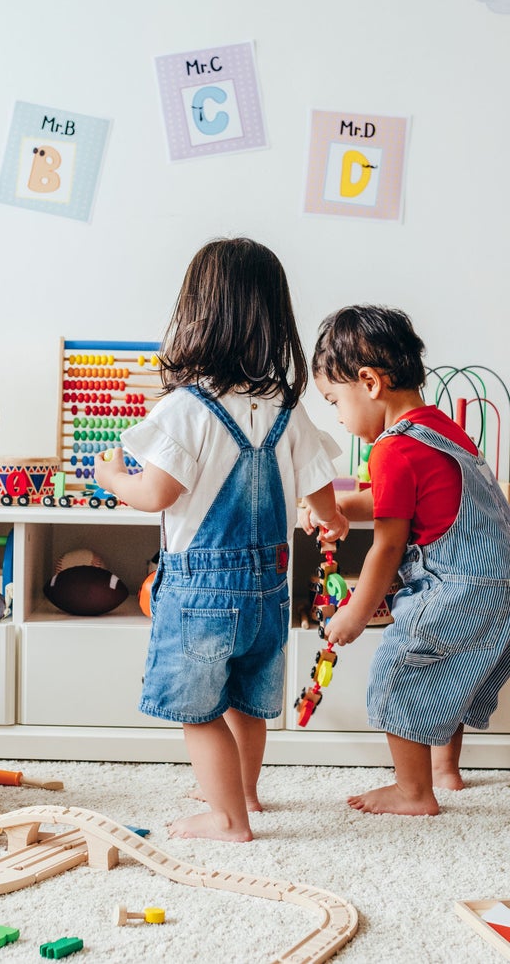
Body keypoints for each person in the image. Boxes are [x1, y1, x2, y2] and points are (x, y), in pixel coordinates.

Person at [94, 238, 348, 842]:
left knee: (200, 710)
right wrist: (329, 520)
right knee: (246, 700)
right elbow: (321, 492)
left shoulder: (187, 408)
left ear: (198, 316)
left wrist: (113, 479)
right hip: (270, 588)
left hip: (202, 591)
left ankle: (227, 818)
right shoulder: (287, 407)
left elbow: (156, 493)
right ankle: (246, 794)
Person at [307, 304, 510, 815]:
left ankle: (413, 792)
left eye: (335, 401)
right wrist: (336, 509)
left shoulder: (392, 449)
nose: (338, 417)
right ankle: (444, 771)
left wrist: (355, 613)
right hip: (497, 585)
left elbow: (388, 544)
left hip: (458, 586)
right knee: (446, 676)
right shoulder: (442, 430)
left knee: (400, 671)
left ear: (369, 382)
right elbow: (395, 500)